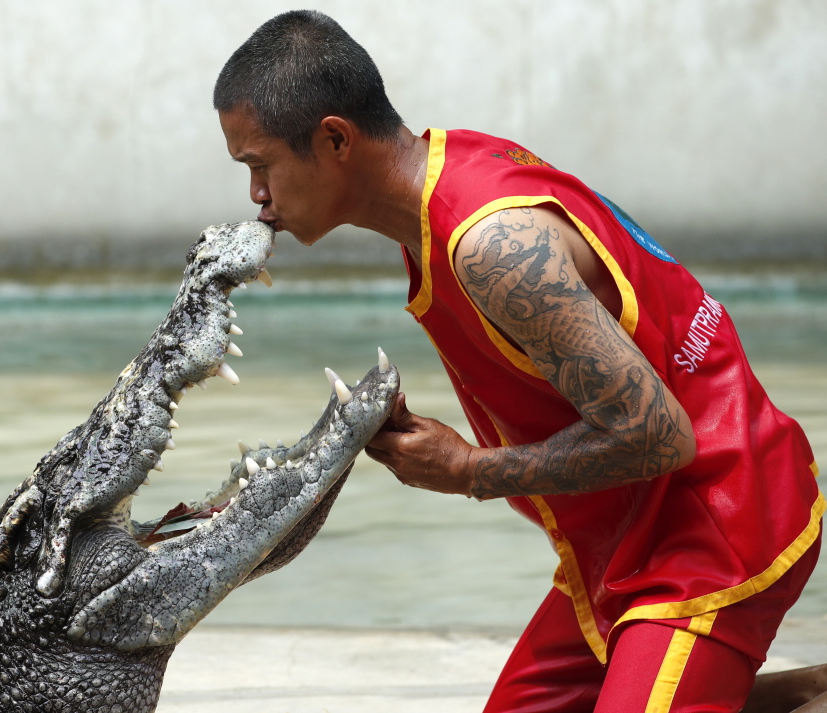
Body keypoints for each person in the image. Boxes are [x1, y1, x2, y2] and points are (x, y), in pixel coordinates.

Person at [214, 10, 825, 713]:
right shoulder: (447, 168)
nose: (257, 198)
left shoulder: (492, 245)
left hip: (717, 521)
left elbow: (658, 433)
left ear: (334, 139)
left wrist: (468, 469)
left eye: (260, 166)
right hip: (627, 529)